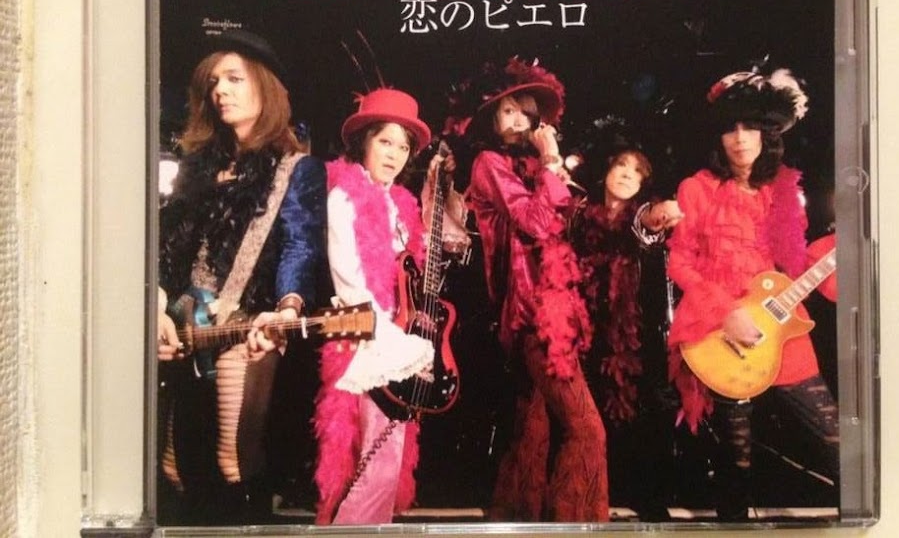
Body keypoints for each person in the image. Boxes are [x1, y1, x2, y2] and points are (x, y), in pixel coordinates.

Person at [157, 29, 326, 524]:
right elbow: (170, 248)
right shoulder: (196, 169)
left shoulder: (297, 169)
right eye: (213, 82)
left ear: (264, 87)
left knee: (234, 463)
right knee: (175, 467)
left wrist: (289, 306)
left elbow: (300, 244)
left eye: (234, 79)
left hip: (248, 325)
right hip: (185, 325)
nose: (220, 91)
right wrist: (157, 307)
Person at [665, 70, 839, 521]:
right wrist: (726, 314)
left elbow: (793, 265)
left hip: (783, 328)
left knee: (835, 439)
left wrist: (835, 252)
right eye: (730, 128)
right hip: (721, 333)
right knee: (735, 467)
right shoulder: (697, 188)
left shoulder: (785, 191)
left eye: (749, 127)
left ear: (768, 133)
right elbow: (680, 263)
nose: (740, 138)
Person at [460, 57, 609, 522]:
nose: (519, 121)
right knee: (587, 430)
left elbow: (568, 236)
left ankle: (515, 518)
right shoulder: (488, 163)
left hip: (555, 311)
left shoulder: (533, 170)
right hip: (531, 314)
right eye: (507, 111)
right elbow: (535, 222)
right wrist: (550, 163)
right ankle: (578, 526)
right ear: (490, 120)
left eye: (526, 113)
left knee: (533, 430)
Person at [311, 87, 467, 525]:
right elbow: (350, 282)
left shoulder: (401, 204)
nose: (395, 154)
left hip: (399, 336)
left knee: (386, 460)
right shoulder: (344, 197)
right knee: (371, 464)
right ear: (364, 141)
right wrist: (396, 343)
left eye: (403, 146)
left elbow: (414, 271)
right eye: (385, 141)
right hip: (366, 337)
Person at [567, 119, 682, 519]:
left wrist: (660, 215)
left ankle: (641, 495)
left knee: (633, 409)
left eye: (637, 171)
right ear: (606, 170)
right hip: (584, 326)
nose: (628, 175)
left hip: (633, 333)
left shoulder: (641, 215)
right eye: (622, 166)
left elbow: (647, 227)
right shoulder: (580, 213)